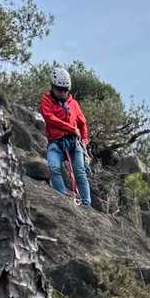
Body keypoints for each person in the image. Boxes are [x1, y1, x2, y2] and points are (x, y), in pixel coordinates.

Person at [39, 69, 92, 207]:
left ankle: (86, 204)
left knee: (80, 172)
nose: (62, 92)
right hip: (56, 144)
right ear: (53, 87)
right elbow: (50, 118)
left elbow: (82, 123)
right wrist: (71, 128)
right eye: (59, 89)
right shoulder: (46, 101)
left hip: (74, 144)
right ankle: (62, 198)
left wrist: (85, 140)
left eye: (65, 90)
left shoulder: (73, 104)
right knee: (53, 167)